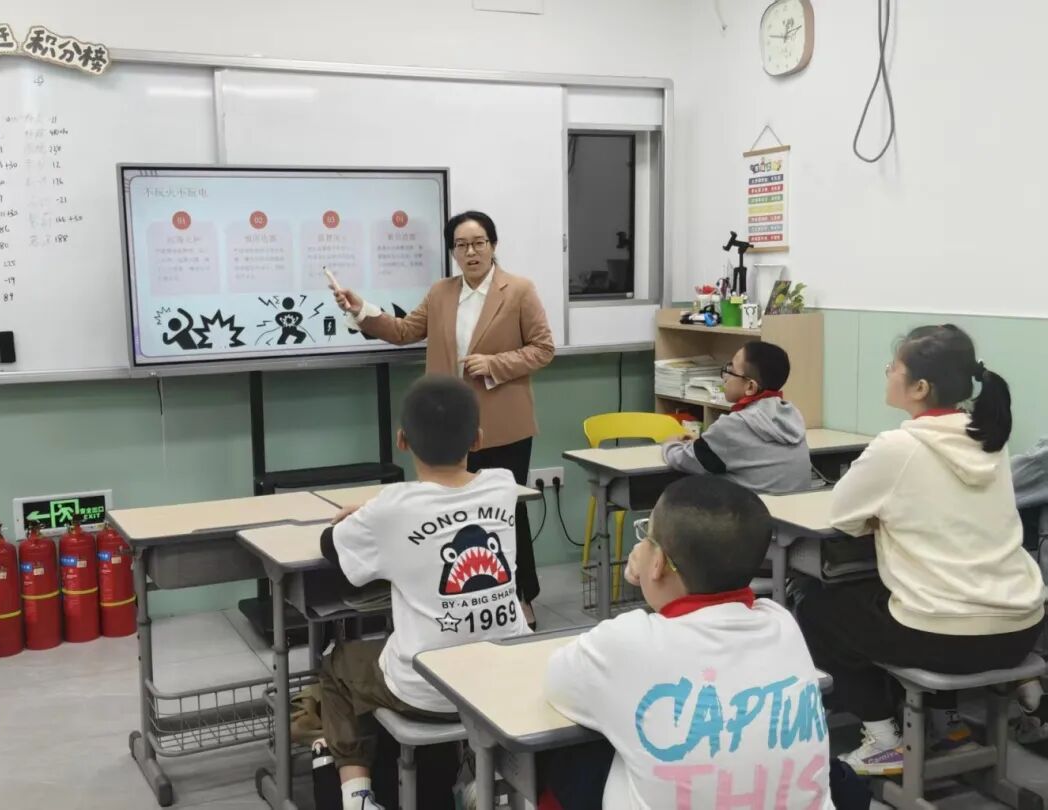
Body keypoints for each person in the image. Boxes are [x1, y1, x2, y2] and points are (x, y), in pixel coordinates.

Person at [797, 324, 1047, 776]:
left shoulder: (898, 446)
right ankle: (947, 722)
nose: (887, 373)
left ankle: (884, 740)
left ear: (920, 387)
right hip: (1022, 628)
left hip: (948, 639)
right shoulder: (989, 439)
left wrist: (882, 518)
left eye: (893, 367)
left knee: (819, 608)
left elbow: (843, 516)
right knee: (918, 596)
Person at [544, 477, 832, 809]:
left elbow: (557, 682)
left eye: (646, 536)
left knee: (570, 757)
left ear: (657, 563)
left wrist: (649, 577)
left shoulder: (626, 643)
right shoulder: (782, 623)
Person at [331, 211, 554, 628]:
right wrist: (362, 310)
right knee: (450, 508)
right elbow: (402, 331)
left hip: (504, 423)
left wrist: (495, 364)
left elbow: (543, 348)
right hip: (449, 424)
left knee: (507, 509)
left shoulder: (519, 290)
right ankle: (460, 595)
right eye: (462, 245)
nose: (471, 252)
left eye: (479, 242)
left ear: (493, 245)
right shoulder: (441, 292)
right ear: (453, 251)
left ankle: (521, 596)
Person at [317, 375, 530, 810]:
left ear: (402, 440)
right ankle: (485, 780)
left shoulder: (392, 507)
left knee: (338, 665)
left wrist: (369, 515)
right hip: (506, 680)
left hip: (424, 692)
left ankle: (357, 797)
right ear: (478, 439)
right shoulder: (503, 484)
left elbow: (330, 546)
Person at [661, 341, 811, 493]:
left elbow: (683, 460)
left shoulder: (734, 425)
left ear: (750, 387)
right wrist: (704, 442)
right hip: (794, 507)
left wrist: (671, 443)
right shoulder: (791, 415)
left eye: (730, 371)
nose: (725, 378)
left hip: (750, 507)